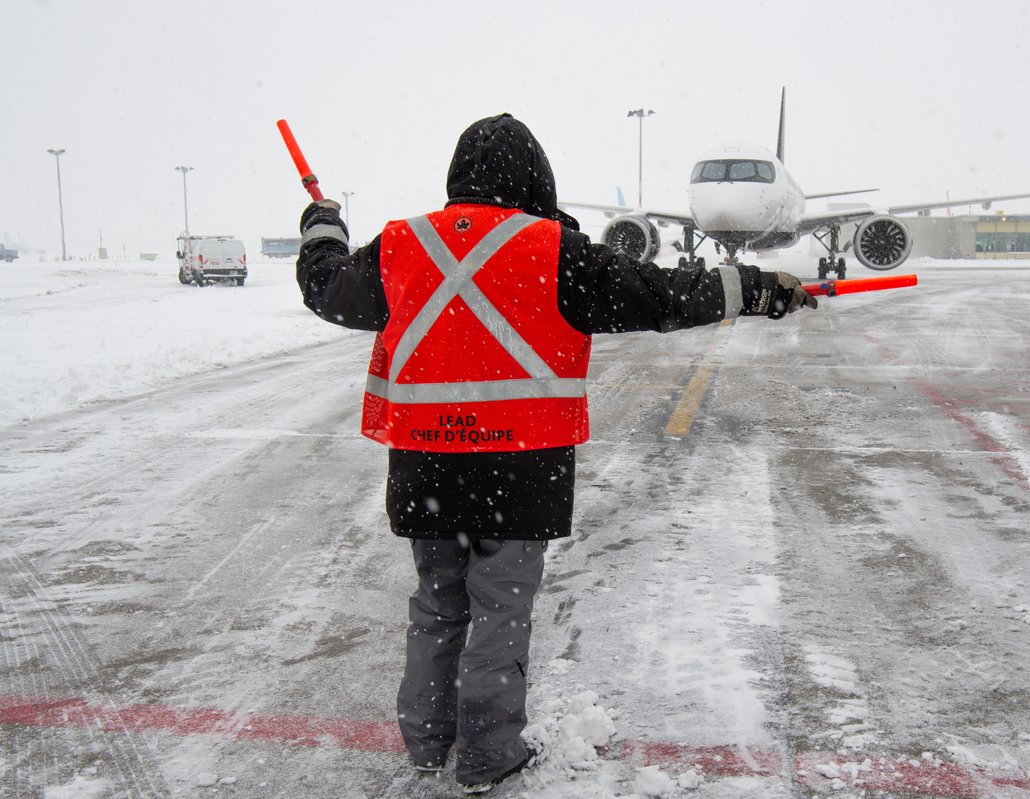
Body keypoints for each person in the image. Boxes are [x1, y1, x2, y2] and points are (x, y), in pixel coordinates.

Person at [295, 113, 816, 794]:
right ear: (536, 177)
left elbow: (327, 289)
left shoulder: (402, 243)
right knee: (499, 613)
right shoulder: (555, 250)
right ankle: (488, 755)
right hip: (518, 468)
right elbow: (661, 295)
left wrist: (322, 225)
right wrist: (757, 287)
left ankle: (427, 742)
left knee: (436, 605)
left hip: (428, 465)